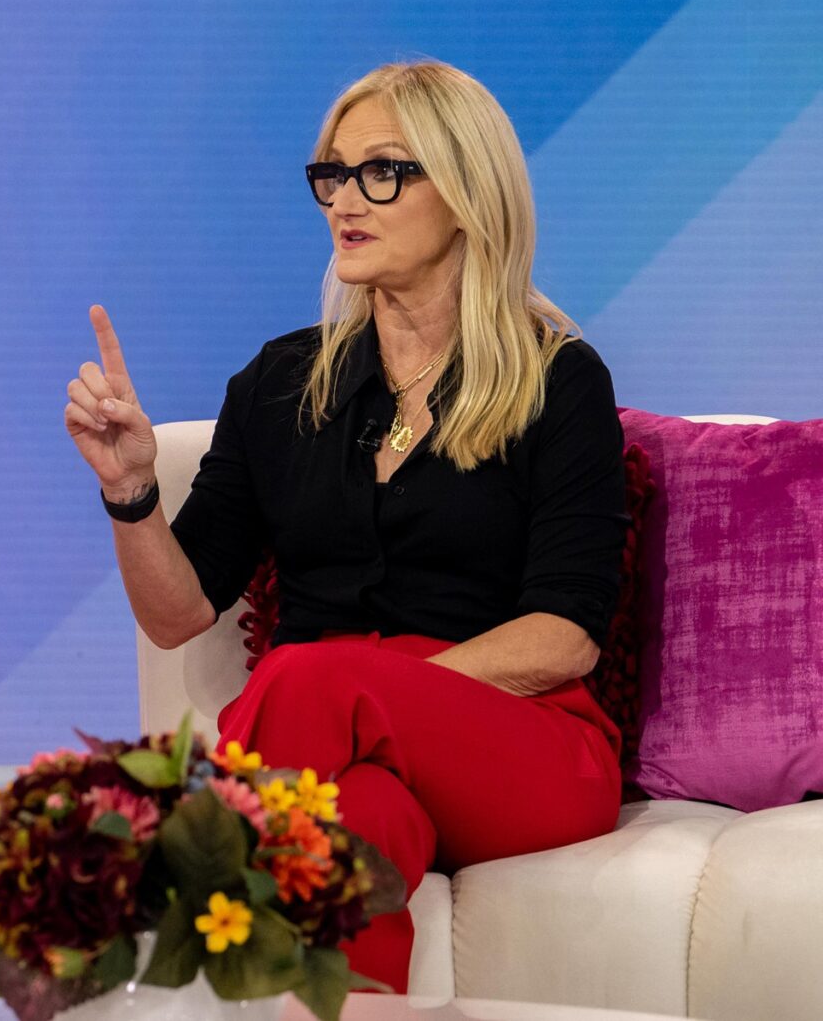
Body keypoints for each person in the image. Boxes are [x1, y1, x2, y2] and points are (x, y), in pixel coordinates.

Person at [61, 60, 625, 992]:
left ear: (467, 192)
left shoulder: (557, 380)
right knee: (356, 826)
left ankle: (149, 877)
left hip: (523, 740)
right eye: (332, 173)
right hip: (336, 750)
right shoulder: (281, 386)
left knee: (310, 676)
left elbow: (563, 635)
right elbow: (177, 612)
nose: (344, 201)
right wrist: (131, 492)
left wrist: (370, 694)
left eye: (384, 171)